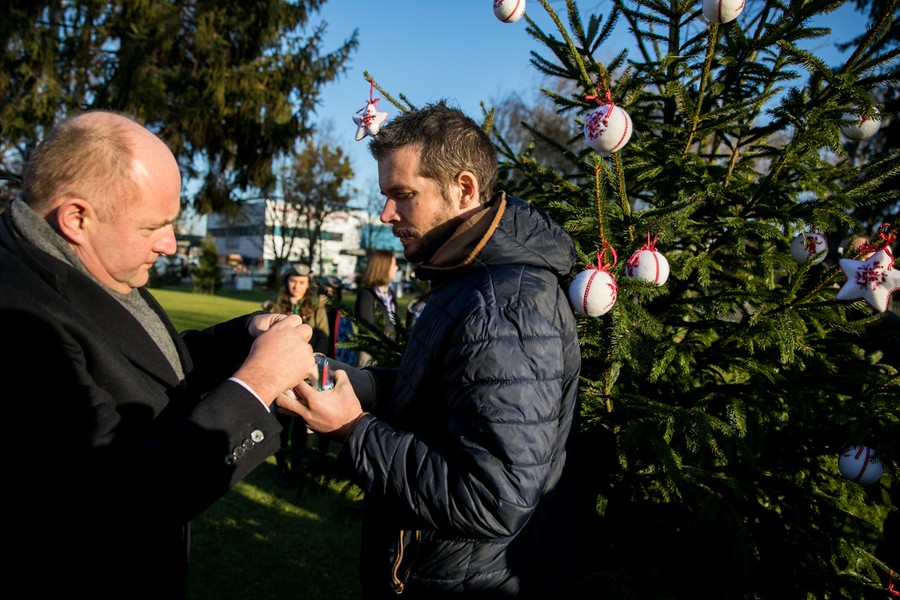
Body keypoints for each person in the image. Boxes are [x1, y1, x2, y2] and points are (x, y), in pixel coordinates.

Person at [0, 110, 317, 599]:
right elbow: (120, 496)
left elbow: (146, 367)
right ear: (77, 218)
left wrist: (246, 334)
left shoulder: (90, 260)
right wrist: (258, 383)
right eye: (155, 226)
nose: (170, 244)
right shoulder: (17, 315)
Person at [284, 100, 581, 599]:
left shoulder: (505, 304)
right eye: (386, 196)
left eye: (403, 195)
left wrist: (353, 430)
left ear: (464, 189)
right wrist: (354, 381)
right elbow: (447, 397)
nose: (386, 214)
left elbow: (493, 497)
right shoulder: (468, 279)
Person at [267, 262, 331, 484]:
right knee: (281, 423)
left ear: (307, 284)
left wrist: (310, 365)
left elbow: (323, 338)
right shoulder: (277, 304)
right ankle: (280, 465)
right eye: (293, 281)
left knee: (302, 423)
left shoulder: (317, 306)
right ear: (286, 282)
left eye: (301, 282)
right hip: (281, 371)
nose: (296, 286)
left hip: (307, 372)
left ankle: (297, 467)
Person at [354, 247, 400, 366]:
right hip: (372, 356)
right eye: (394, 264)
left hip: (390, 354)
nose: (397, 268)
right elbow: (366, 328)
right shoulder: (367, 294)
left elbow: (394, 324)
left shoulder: (390, 294)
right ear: (384, 267)